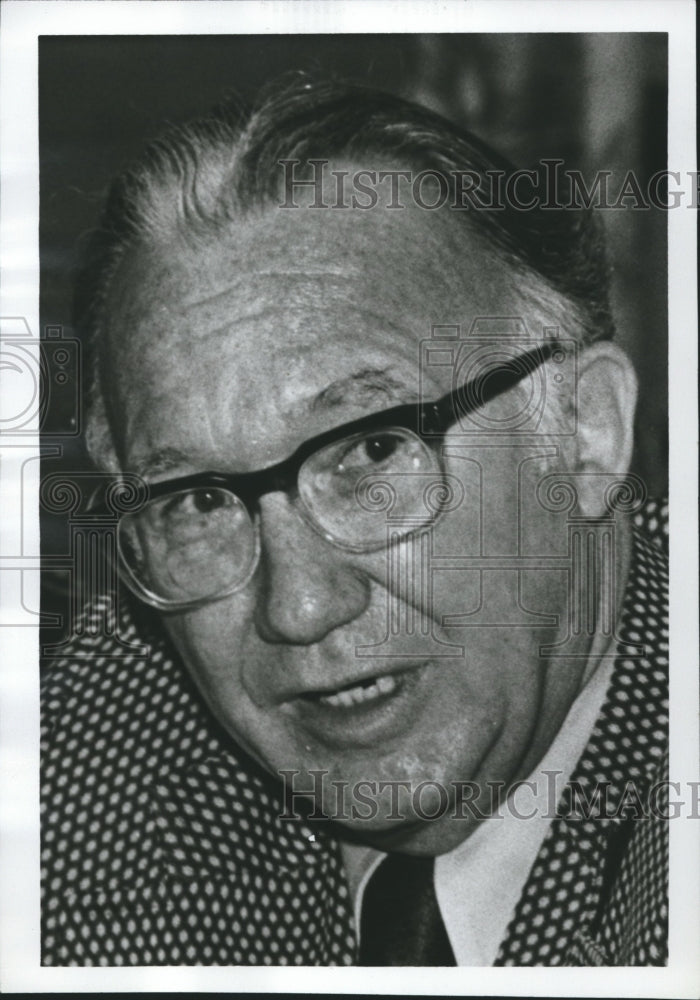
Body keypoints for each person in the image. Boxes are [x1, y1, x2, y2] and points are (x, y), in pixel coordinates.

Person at [40, 76, 668, 967]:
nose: (298, 607)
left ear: (584, 429)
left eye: (372, 451)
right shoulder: (94, 764)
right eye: (199, 500)